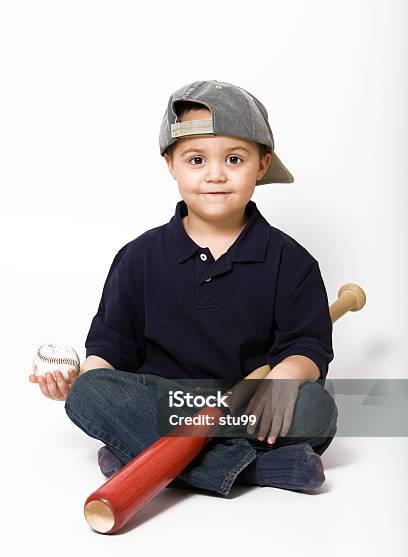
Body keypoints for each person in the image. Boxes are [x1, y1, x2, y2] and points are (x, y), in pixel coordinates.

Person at [28, 80, 338, 496]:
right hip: (168, 400)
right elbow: (113, 344)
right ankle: (256, 470)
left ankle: (144, 460)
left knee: (319, 409)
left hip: (246, 405)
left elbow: (310, 344)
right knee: (90, 394)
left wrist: (286, 373)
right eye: (196, 159)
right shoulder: (139, 257)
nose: (215, 174)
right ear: (170, 164)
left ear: (262, 165)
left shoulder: (291, 261)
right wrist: (84, 381)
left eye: (233, 158)